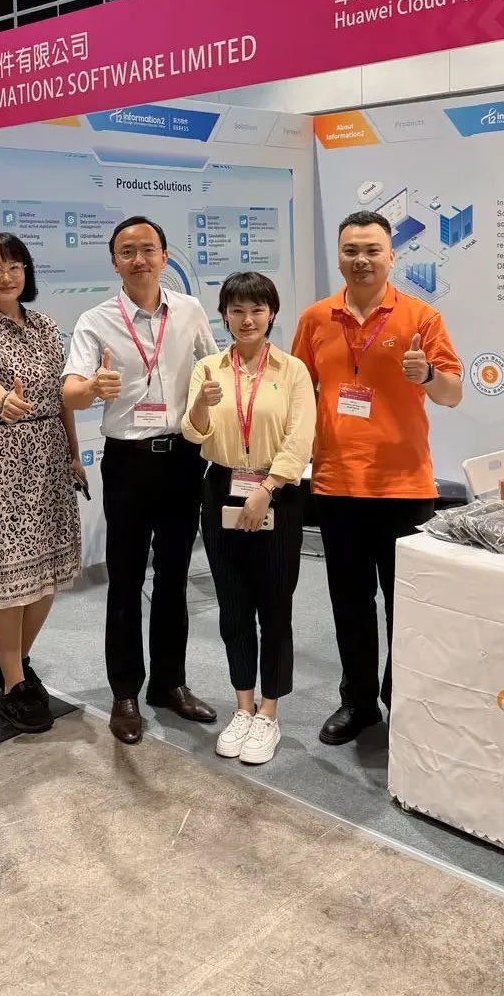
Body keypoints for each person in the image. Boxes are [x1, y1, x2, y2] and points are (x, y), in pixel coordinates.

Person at [291, 210, 462, 746]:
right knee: (349, 602)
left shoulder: (421, 317)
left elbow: (452, 393)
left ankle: (402, 698)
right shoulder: (315, 318)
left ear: (391, 255)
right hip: (336, 483)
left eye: (371, 250)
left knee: (404, 604)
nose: (361, 260)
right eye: (351, 251)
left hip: (404, 487)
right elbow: (297, 391)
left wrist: (427, 374)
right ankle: (359, 702)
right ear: (339, 256)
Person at [62, 215, 218, 745]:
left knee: (174, 575)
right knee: (126, 578)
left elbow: (213, 369)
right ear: (114, 262)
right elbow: (70, 392)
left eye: (148, 249)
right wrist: (93, 387)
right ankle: (125, 691)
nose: (139, 259)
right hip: (128, 462)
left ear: (164, 255)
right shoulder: (96, 321)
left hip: (182, 458)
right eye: (127, 251)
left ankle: (170, 684)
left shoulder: (190, 311)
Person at [182, 272, 315, 765]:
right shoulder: (209, 368)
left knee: (274, 607)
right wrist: (201, 404)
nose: (247, 319)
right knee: (233, 605)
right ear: (224, 316)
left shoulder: (293, 370)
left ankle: (269, 712)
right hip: (220, 488)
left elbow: (300, 438)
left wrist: (266, 489)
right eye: (236, 310)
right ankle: (242, 706)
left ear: (271, 313)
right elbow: (193, 433)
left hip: (276, 492)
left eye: (257, 309)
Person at [0, 233, 83, 733]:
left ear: (26, 272)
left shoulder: (46, 326)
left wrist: (73, 453)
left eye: (14, 266)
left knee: (48, 574)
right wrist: (3, 399)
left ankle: (13, 659)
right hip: (5, 460)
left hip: (51, 454)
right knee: (10, 581)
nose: (5, 276)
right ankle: (14, 684)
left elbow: (62, 395)